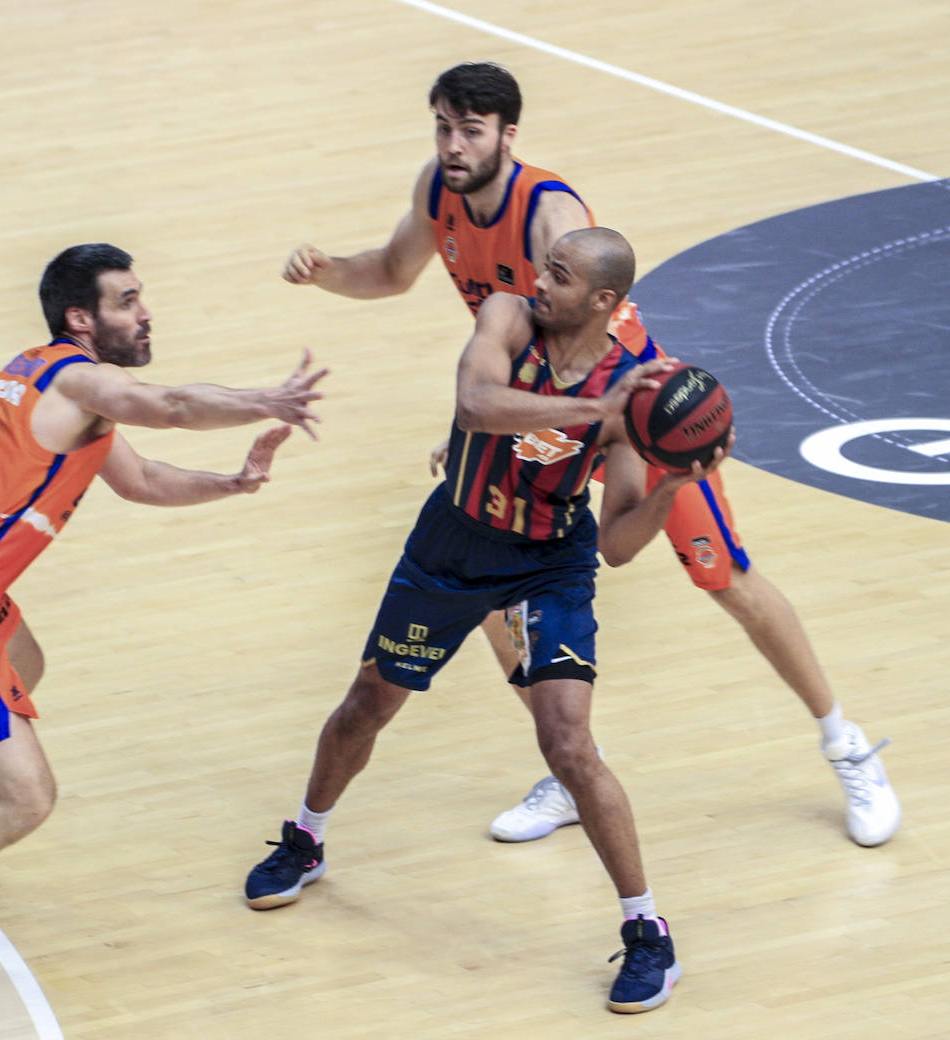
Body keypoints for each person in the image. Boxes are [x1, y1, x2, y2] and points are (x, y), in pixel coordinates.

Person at [280, 61, 898, 848]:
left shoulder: (549, 212)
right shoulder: (438, 193)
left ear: (508, 135)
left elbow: (601, 333)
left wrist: (548, 417)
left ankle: (847, 744)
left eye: (470, 129)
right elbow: (393, 271)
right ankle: (577, 768)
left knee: (721, 572)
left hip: (628, 409)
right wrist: (328, 271)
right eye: (443, 125)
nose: (453, 143)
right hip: (550, 401)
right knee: (494, 585)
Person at [0, 243, 328, 1020]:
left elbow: (144, 478)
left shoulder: (52, 380)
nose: (145, 310)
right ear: (81, 319)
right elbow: (176, 407)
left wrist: (234, 483)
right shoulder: (81, 380)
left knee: (24, 660)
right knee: (25, 798)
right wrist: (270, 399)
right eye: (127, 300)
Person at [248, 228, 721, 1013]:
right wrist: (592, 411)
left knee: (568, 744)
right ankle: (305, 840)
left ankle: (649, 935)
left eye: (560, 276)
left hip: (547, 562)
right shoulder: (508, 315)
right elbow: (476, 403)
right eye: (546, 265)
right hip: (451, 545)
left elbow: (618, 545)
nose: (541, 280)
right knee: (366, 707)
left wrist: (674, 489)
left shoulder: (626, 393)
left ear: (603, 301)